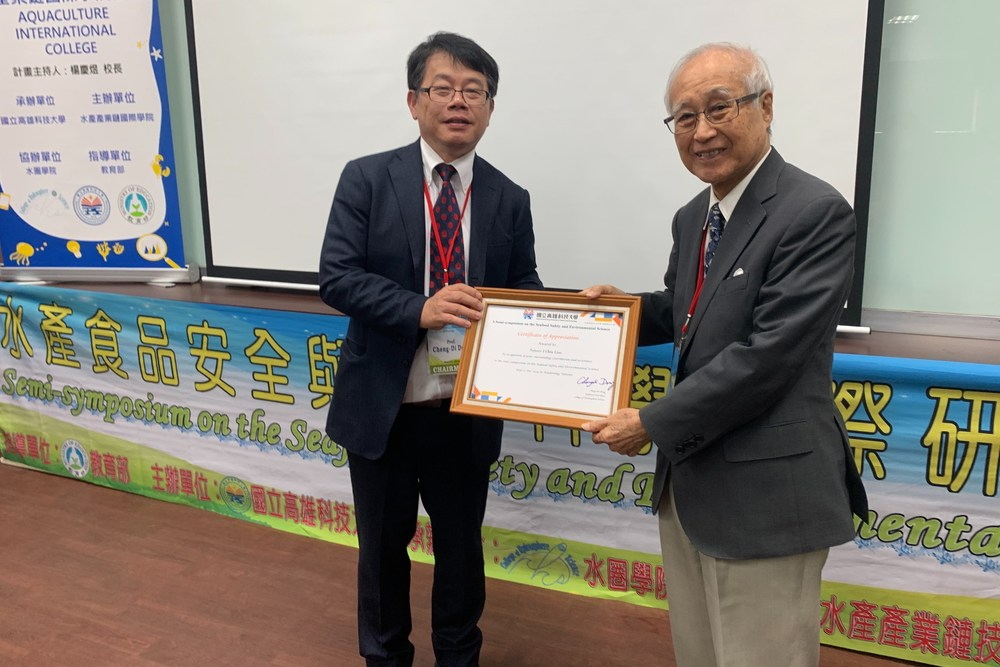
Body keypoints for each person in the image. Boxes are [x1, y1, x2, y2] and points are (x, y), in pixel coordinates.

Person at [581, 43, 867, 667]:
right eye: (685, 117)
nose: (702, 131)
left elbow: (768, 356)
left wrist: (650, 422)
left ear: (766, 107)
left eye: (719, 108)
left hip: (766, 497)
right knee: (701, 654)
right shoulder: (694, 217)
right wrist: (617, 313)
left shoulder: (813, 211)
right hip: (691, 485)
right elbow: (689, 310)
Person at [318, 32, 541, 667]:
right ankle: (385, 657)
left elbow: (523, 283)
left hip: (465, 410)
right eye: (443, 88)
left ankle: (458, 657)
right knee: (382, 550)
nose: (458, 101)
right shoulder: (366, 178)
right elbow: (337, 276)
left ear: (490, 108)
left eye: (474, 91)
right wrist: (419, 309)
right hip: (383, 408)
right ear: (414, 101)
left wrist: (560, 316)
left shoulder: (509, 197)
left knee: (461, 552)